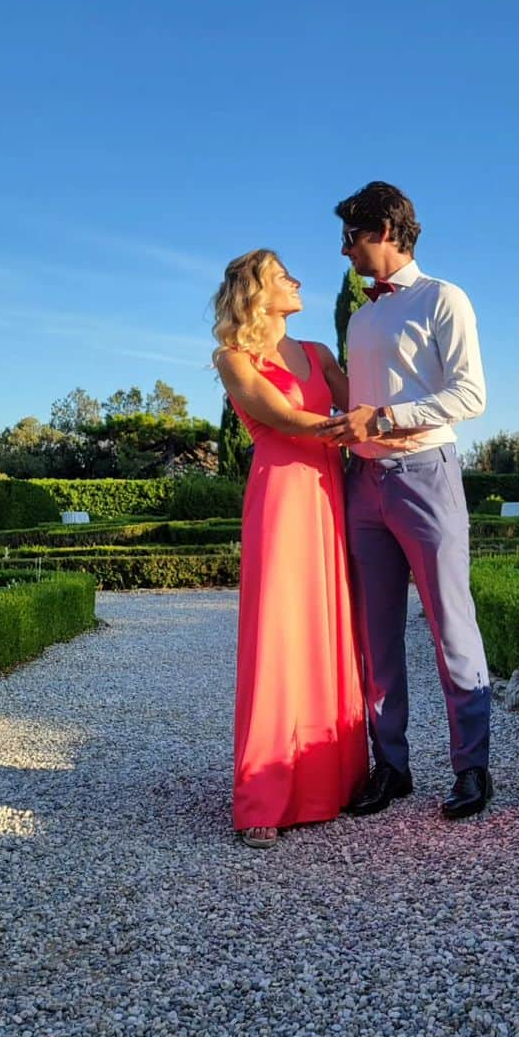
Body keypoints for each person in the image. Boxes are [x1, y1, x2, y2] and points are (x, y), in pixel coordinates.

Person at [318, 182, 493, 820]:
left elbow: (471, 396)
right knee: (376, 636)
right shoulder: (361, 318)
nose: (344, 251)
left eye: (352, 237)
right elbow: (360, 407)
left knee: (451, 624)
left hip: (426, 475)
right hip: (363, 486)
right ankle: (391, 767)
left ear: (385, 231)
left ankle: (472, 769)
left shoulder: (444, 298)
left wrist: (385, 417)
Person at [212, 250, 368, 848]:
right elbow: (279, 417)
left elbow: (360, 399)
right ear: (255, 291)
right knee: (278, 634)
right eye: (283, 275)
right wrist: (359, 425)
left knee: (330, 631)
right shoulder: (233, 359)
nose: (297, 281)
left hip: (331, 493)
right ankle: (264, 795)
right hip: (280, 497)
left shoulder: (319, 354)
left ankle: (333, 781)